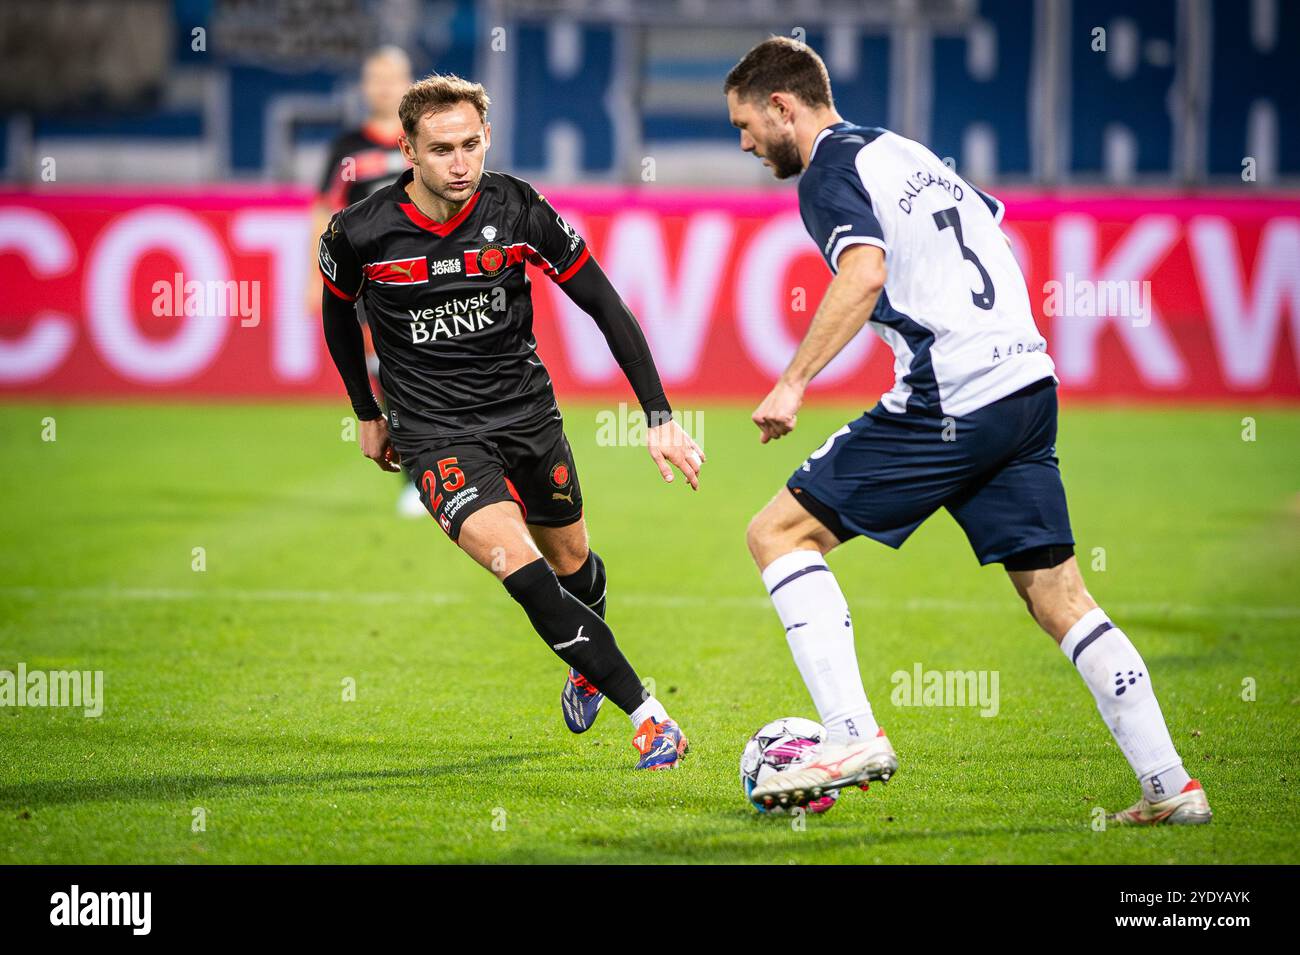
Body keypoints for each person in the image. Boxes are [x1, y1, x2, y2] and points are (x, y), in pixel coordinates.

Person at [724, 37, 1210, 825]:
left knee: (777, 533)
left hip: (954, 396)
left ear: (784, 106)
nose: (744, 142)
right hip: (1026, 384)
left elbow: (866, 271)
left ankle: (848, 734)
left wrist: (792, 382)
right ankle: (1170, 784)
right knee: (1060, 595)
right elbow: (991, 225)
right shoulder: (906, 152)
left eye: (746, 123)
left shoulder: (828, 170)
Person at [317, 73, 703, 769]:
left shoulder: (518, 209)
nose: (460, 163)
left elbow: (605, 303)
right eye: (441, 149)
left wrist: (659, 415)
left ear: (487, 137)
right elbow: (336, 313)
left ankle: (586, 663)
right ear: (408, 149)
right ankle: (650, 718)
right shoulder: (361, 232)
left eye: (471, 144)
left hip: (526, 416)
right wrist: (367, 412)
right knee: (520, 568)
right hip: (434, 433)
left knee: (570, 563)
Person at [309, 46, 426, 517]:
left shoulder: (425, 138)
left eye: (392, 77)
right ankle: (417, 477)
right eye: (375, 78)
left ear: (408, 82)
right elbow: (324, 213)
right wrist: (315, 275)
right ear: (364, 86)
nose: (383, 86)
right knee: (390, 375)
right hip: (371, 286)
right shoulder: (348, 149)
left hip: (428, 278)